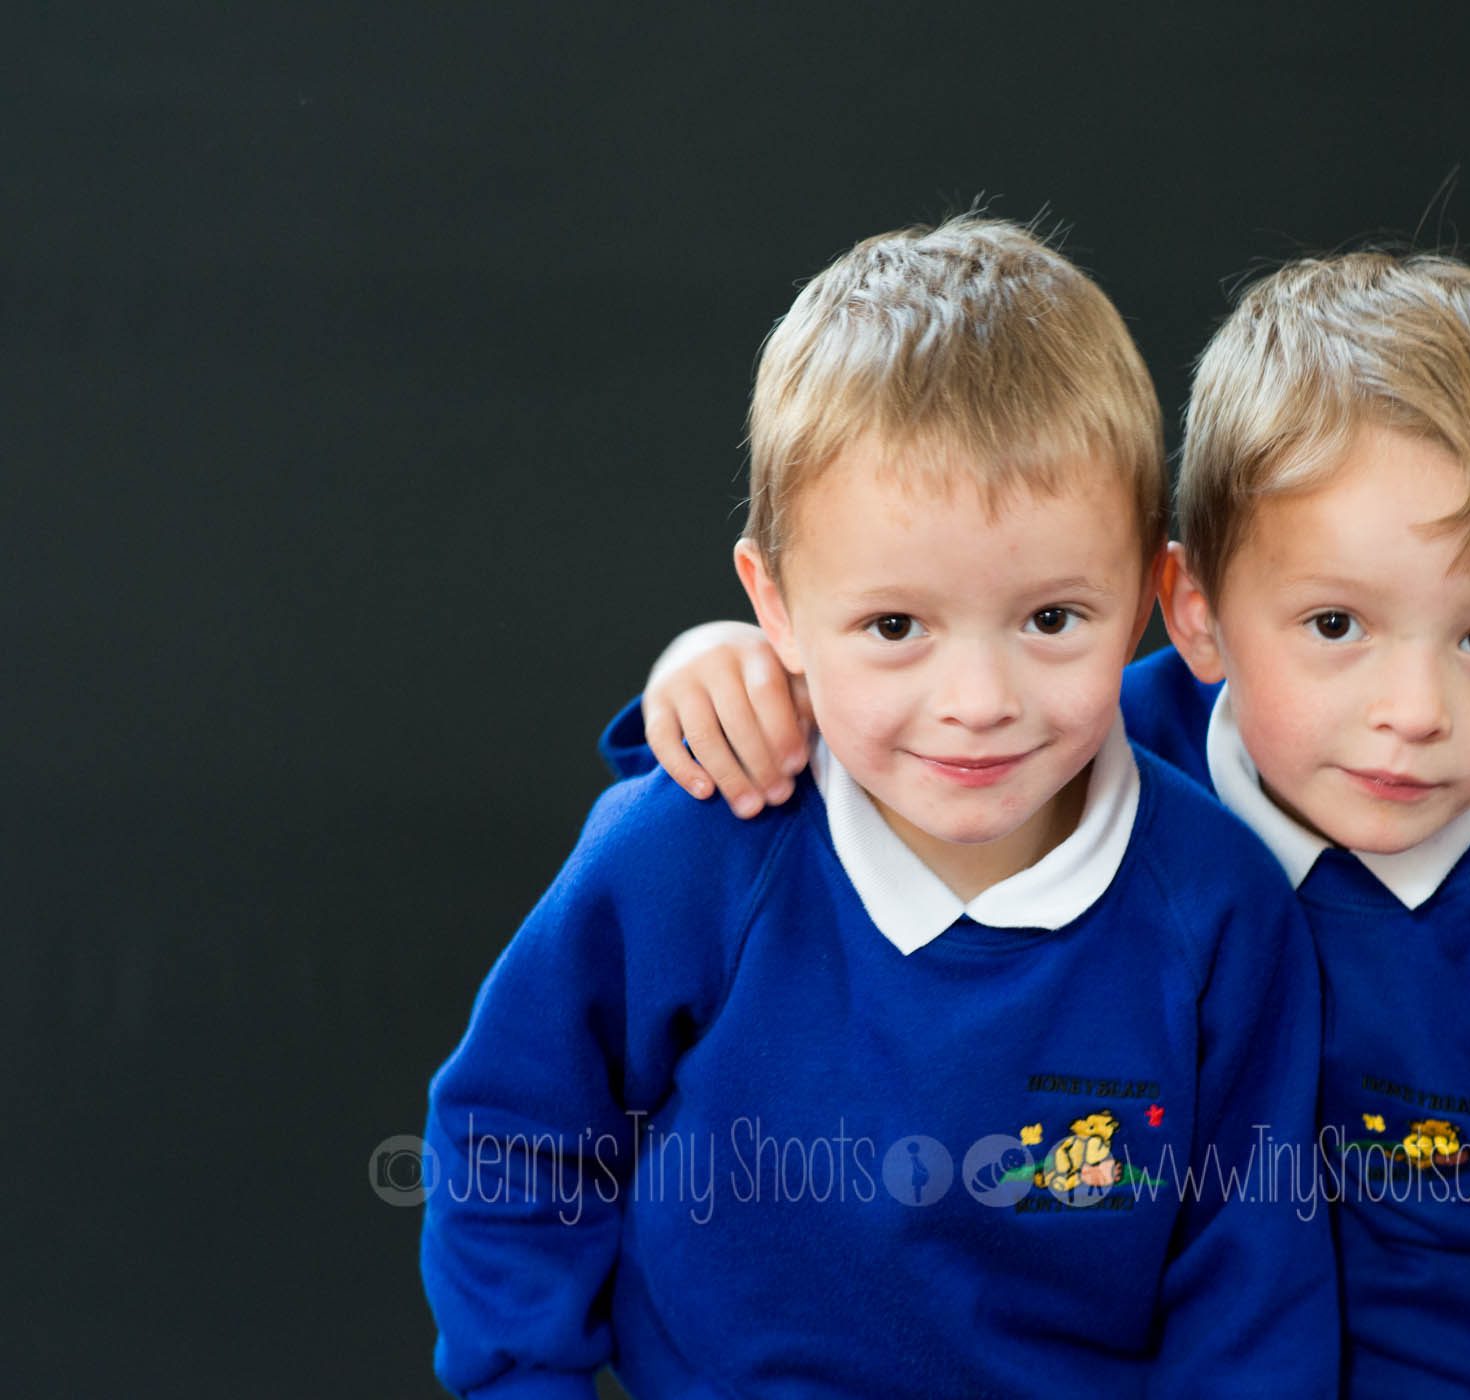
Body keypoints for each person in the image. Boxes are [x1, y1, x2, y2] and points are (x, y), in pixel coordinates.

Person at [617, 250, 1470, 1397]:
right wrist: (734, 668)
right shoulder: (1091, 741)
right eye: (1333, 623)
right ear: (1197, 616)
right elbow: (846, 760)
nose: (1412, 713)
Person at [421, 217, 1340, 1399]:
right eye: (895, 627)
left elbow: (1248, 1286)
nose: (977, 702)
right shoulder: (695, 847)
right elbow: (513, 1139)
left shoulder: (1216, 905)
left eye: (1050, 618)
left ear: (1151, 599)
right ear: (779, 606)